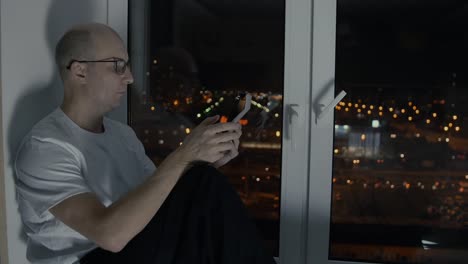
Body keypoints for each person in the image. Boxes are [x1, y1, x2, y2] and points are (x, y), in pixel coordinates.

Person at [14, 23, 274, 264]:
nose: (128, 78)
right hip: (89, 259)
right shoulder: (46, 147)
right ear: (80, 70)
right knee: (203, 190)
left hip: (133, 247)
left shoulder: (122, 135)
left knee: (203, 183)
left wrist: (201, 160)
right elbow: (109, 236)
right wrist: (184, 155)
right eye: (117, 65)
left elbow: (159, 200)